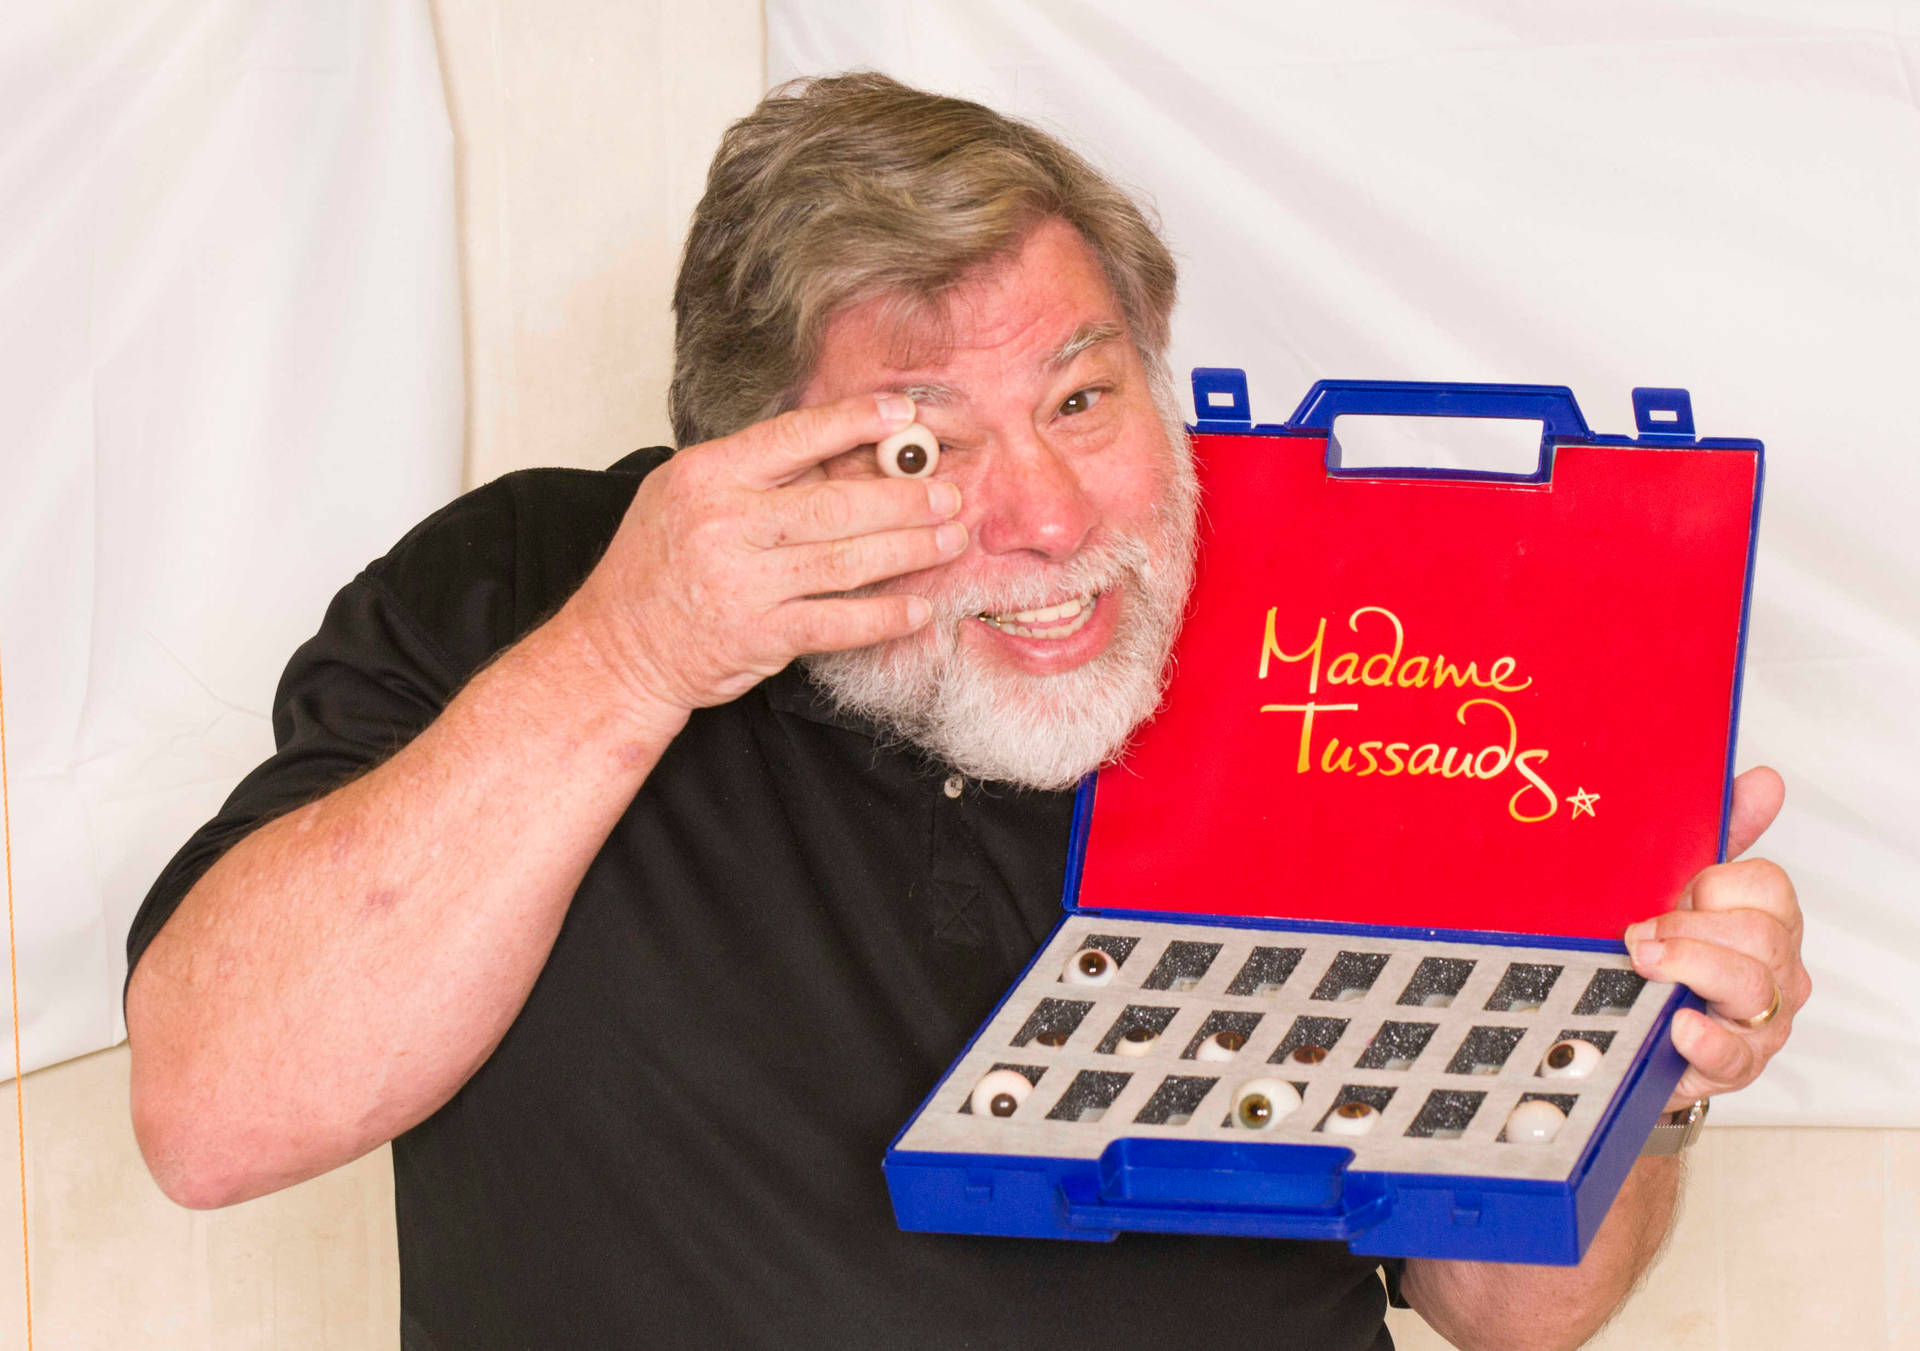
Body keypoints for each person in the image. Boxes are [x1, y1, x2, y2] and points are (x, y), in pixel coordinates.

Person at [124, 73, 1809, 1351]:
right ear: (739, 452)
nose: (1053, 521)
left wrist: (1646, 1063)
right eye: (921, 446)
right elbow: (213, 1115)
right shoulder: (526, 590)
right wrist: (630, 660)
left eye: (1084, 397)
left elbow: (1513, 1308)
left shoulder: (1315, 646)